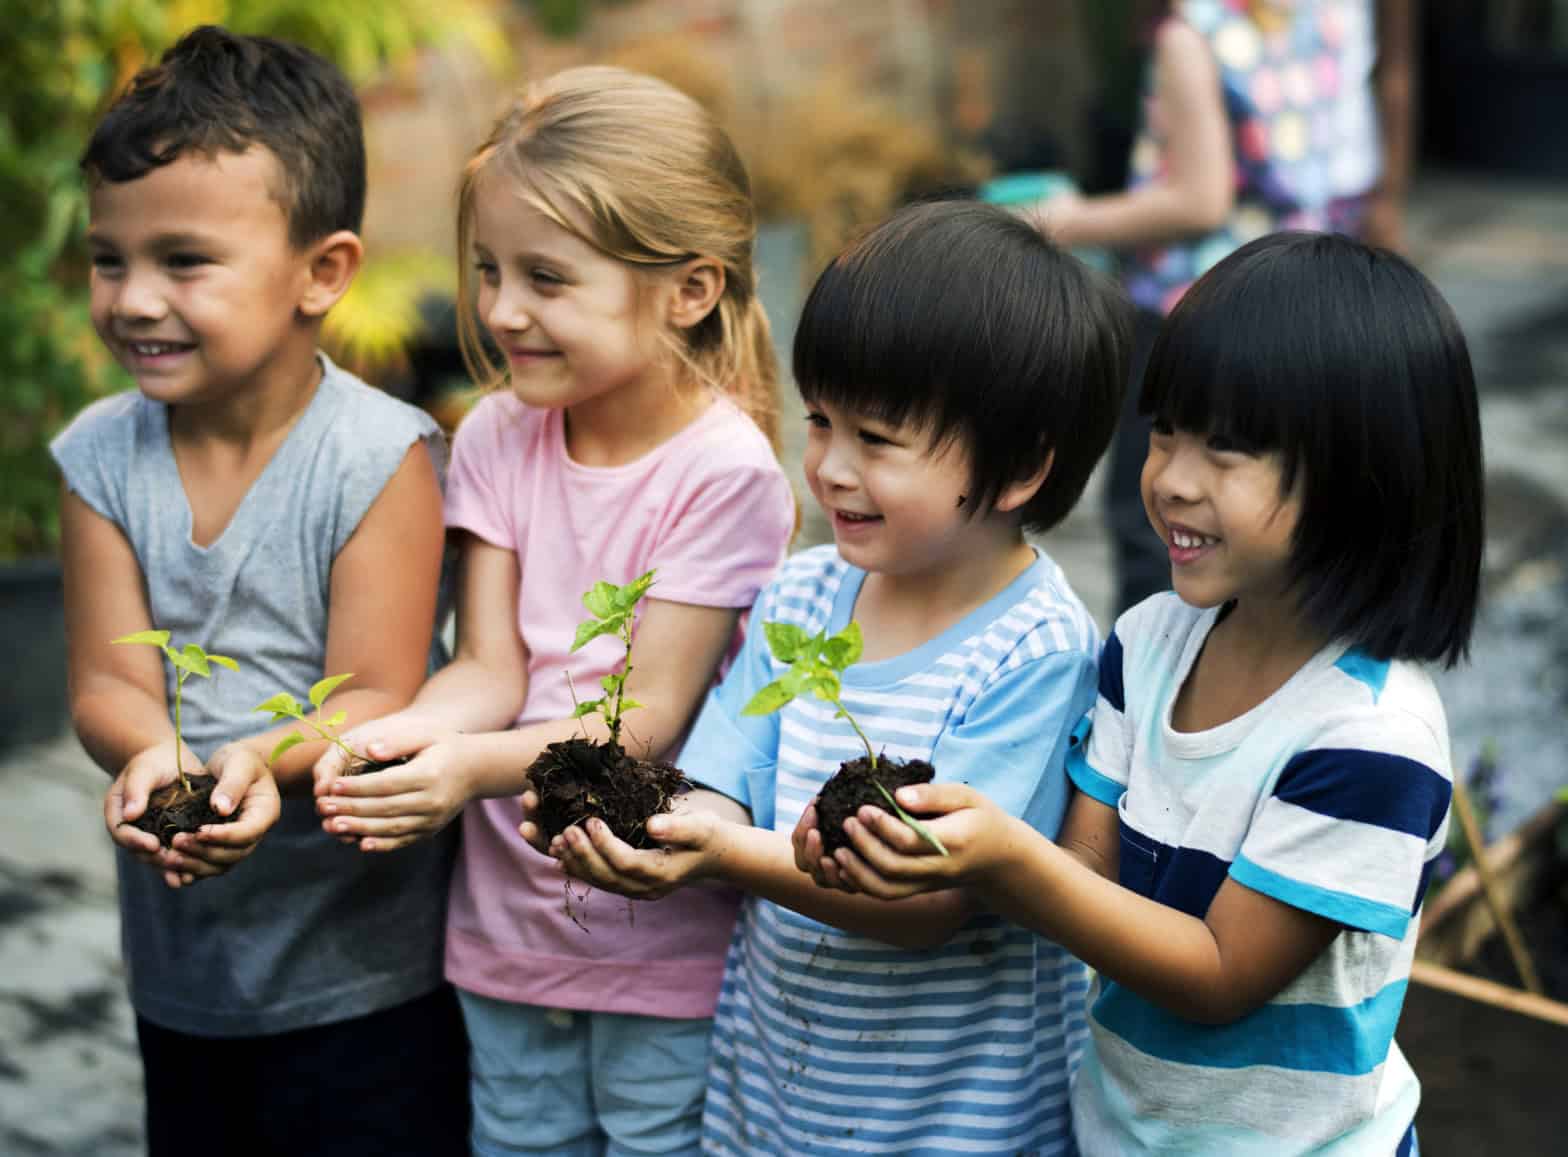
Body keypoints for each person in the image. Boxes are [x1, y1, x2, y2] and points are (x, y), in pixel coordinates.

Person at [816, 232, 1482, 1157]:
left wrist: (1002, 856)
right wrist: (924, 846)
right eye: (1165, 428)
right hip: (1118, 1133)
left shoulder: (1369, 737)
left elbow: (1217, 975)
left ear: (1366, 473)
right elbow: (1090, 880)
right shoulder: (1150, 642)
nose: (1170, 477)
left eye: (1229, 449)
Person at [528, 199, 1132, 1156]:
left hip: (949, 1119)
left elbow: (930, 903)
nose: (830, 469)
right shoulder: (804, 595)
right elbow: (727, 781)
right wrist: (667, 832)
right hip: (780, 1089)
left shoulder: (1037, 649)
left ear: (1017, 470)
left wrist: (719, 856)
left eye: (878, 440)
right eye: (818, 422)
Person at [310, 67, 795, 1157]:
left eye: (545, 278)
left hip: (655, 928)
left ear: (688, 288)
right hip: (505, 923)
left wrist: (463, 771)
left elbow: (644, 727)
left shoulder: (723, 473)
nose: (499, 310)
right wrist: (401, 740)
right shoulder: (494, 436)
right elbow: (486, 663)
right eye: (488, 270)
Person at [52, 25, 465, 1157]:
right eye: (108, 258)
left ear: (323, 272)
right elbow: (104, 678)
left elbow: (380, 692)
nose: (135, 299)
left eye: (183, 261)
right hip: (185, 969)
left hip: (368, 973)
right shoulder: (99, 456)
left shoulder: (378, 456)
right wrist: (152, 756)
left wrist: (253, 763)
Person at [1045, 0, 1385, 615]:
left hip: (1192, 313)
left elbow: (1200, 201)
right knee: (1263, 512)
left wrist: (1062, 222)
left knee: (1154, 519)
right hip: (1293, 306)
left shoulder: (1192, 35)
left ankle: (1152, 688)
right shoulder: (1321, 18)